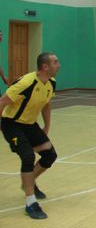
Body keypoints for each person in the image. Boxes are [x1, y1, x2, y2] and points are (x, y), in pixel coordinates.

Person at [0, 52, 61, 219]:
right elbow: (2, 102)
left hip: (30, 124)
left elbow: (46, 104)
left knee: (50, 155)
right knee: (28, 157)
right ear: (45, 66)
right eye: (55, 62)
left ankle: (28, 181)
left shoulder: (51, 83)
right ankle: (30, 203)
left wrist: (46, 126)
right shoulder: (26, 83)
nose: (59, 65)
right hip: (12, 124)